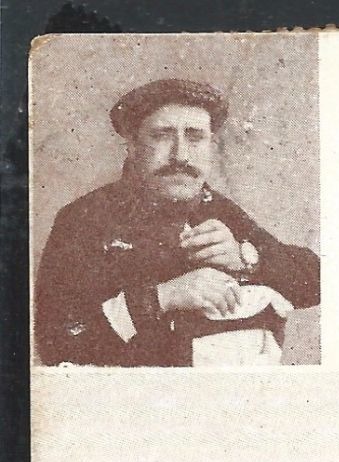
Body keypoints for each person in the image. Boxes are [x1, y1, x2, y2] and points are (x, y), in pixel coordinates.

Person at [35, 78, 320, 367]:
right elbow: (56, 346)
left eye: (195, 137)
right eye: (162, 136)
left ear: (211, 145)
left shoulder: (218, 209)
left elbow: (315, 283)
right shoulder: (85, 218)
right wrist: (163, 297)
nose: (181, 155)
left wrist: (246, 257)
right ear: (132, 145)